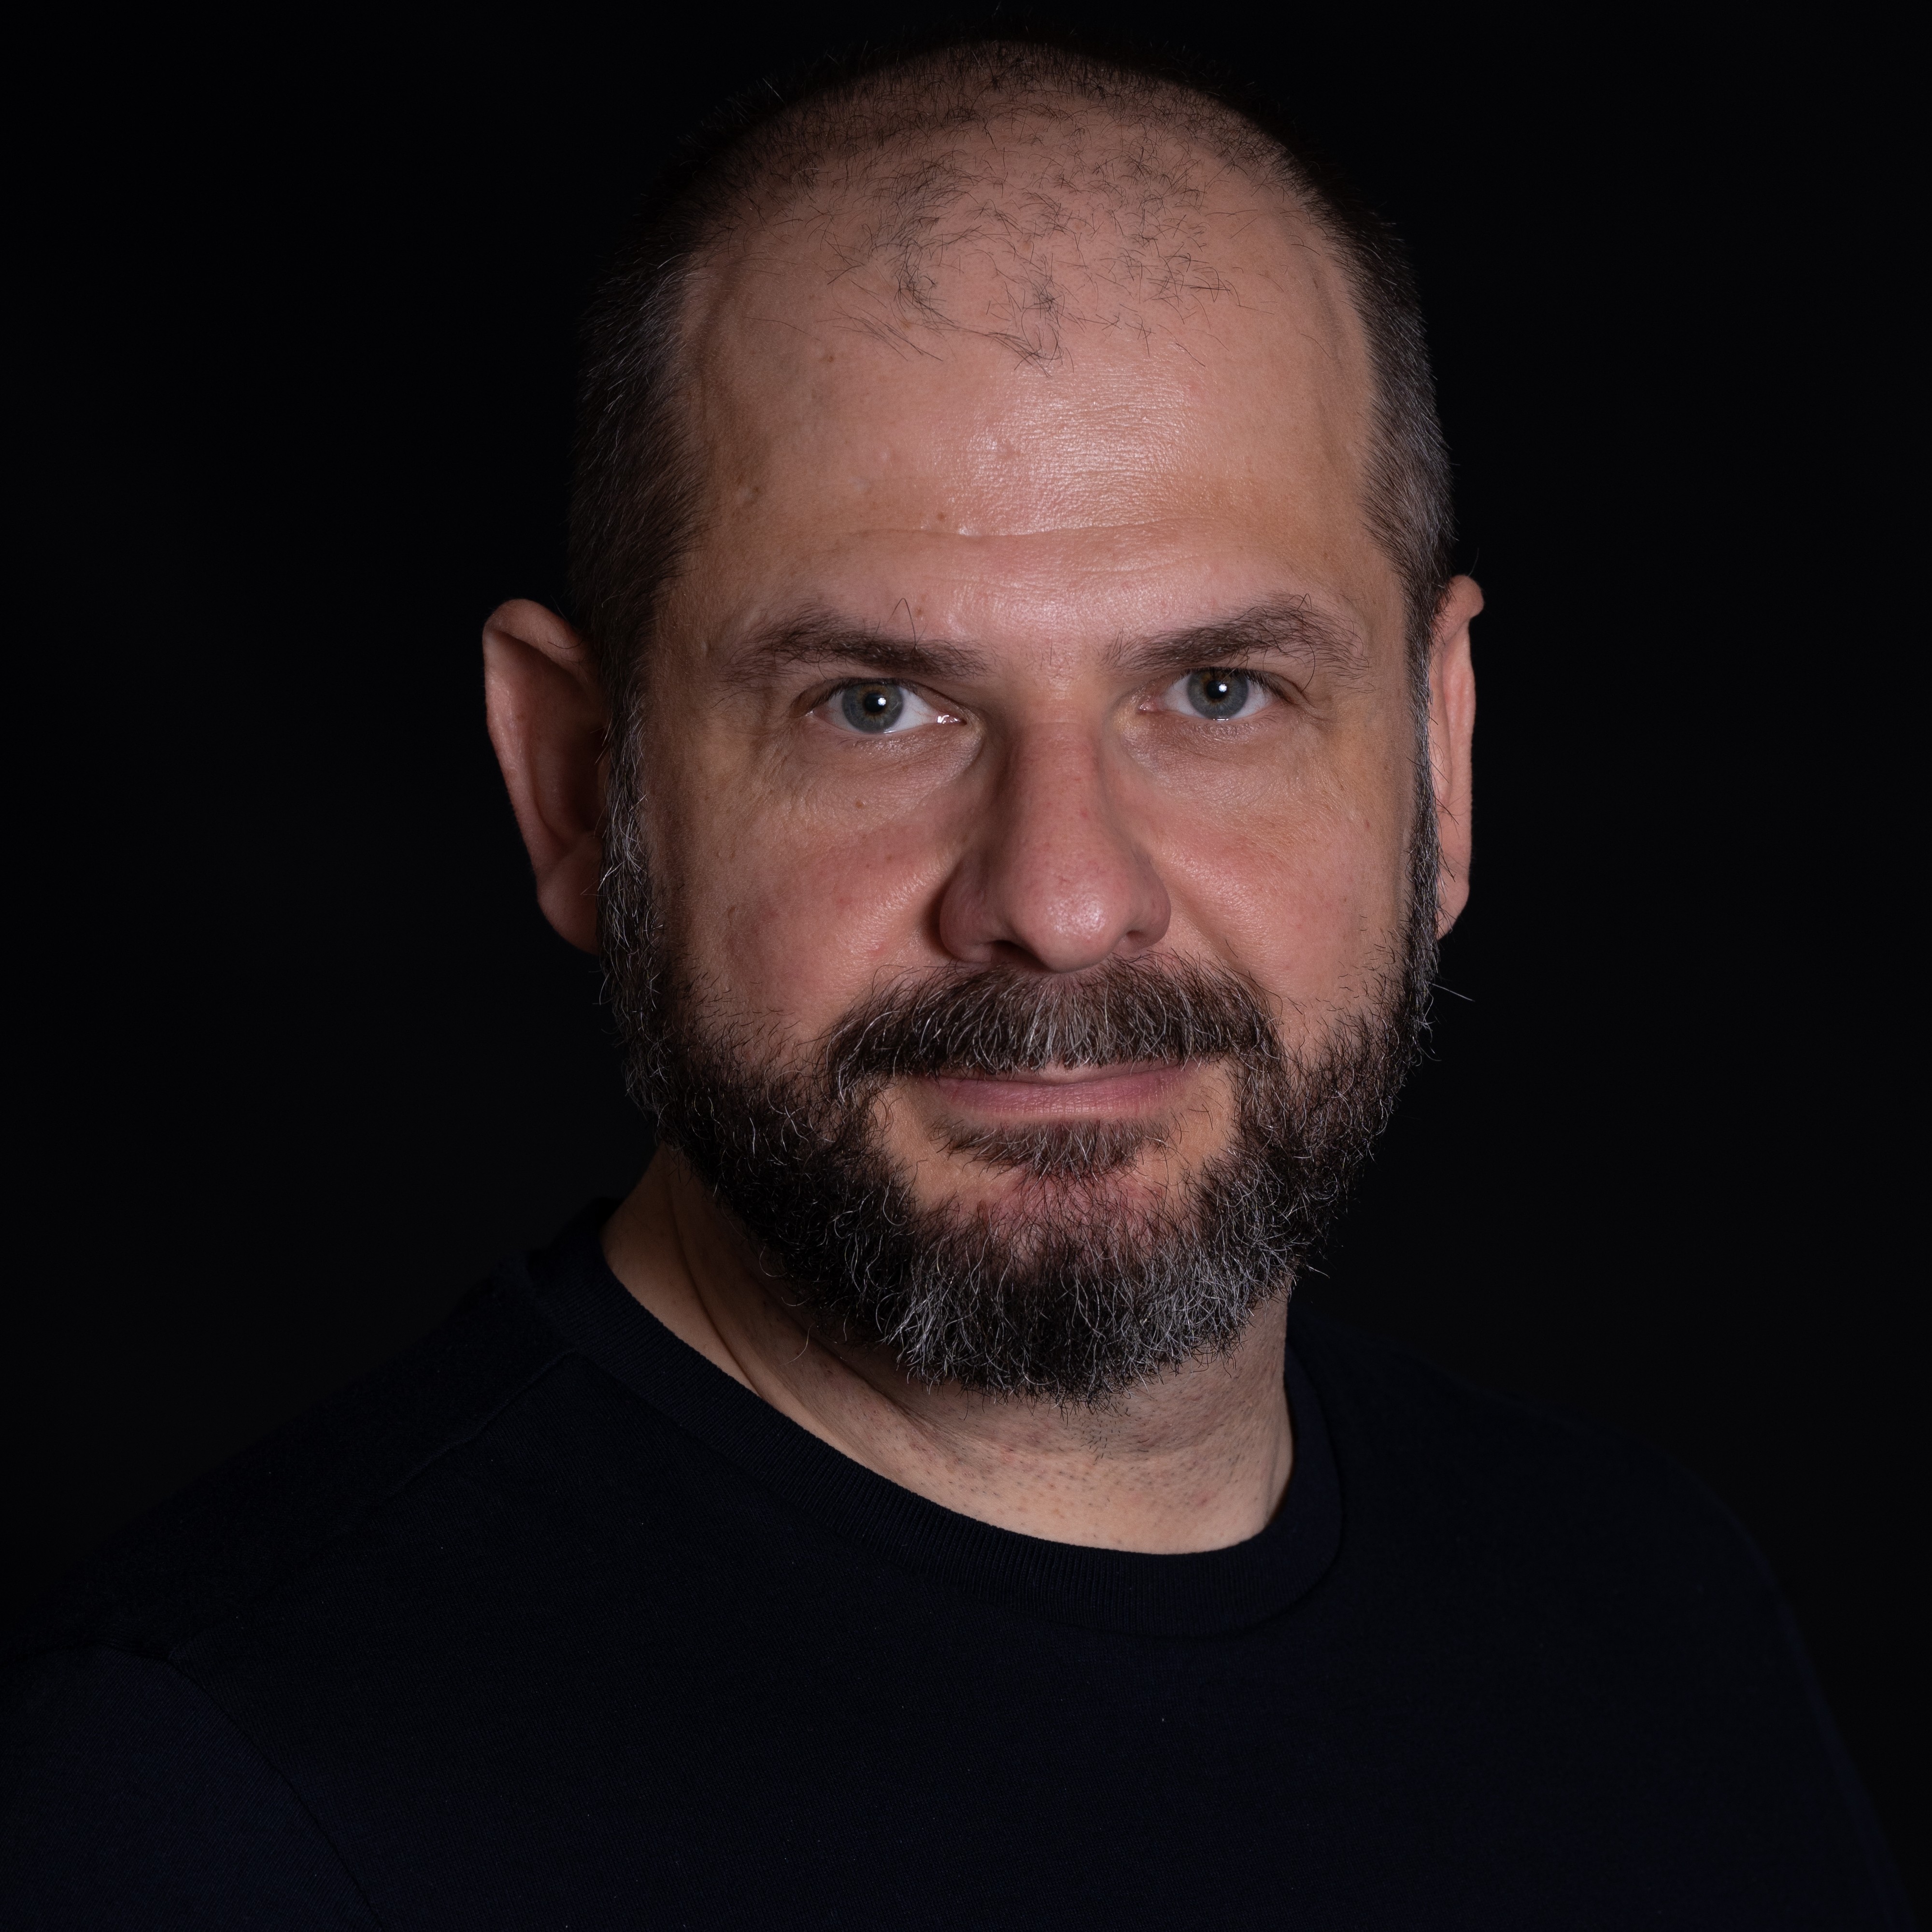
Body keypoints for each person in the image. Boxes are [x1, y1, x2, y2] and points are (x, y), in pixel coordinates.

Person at [0, 33, 1909, 1929]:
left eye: (1218, 692)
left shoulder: (1643, 1604)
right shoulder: (199, 1802)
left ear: (1439, 755)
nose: (1063, 902)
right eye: (876, 705)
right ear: (582, 784)